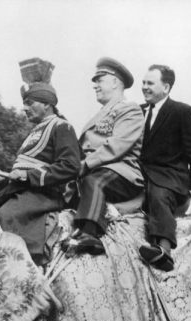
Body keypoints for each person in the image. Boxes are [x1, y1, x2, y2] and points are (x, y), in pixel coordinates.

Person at [0, 57, 81, 265]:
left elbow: (71, 167)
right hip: (22, 192)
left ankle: (26, 272)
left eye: (29, 103)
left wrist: (29, 176)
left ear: (47, 104)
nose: (24, 109)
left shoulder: (62, 127)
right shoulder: (33, 133)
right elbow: (19, 174)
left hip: (44, 194)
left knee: (7, 214)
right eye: (24, 104)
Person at [64, 57, 145, 255]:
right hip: (93, 170)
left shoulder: (129, 109)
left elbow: (117, 145)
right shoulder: (98, 114)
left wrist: (85, 165)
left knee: (94, 180)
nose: (95, 86)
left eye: (99, 80)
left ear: (115, 82)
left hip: (121, 173)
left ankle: (90, 234)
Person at [139, 64, 191, 271]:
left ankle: (163, 250)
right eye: (143, 82)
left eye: (150, 83)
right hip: (140, 173)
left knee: (159, 194)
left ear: (166, 87)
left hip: (169, 176)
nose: (144, 87)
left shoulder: (182, 112)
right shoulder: (137, 112)